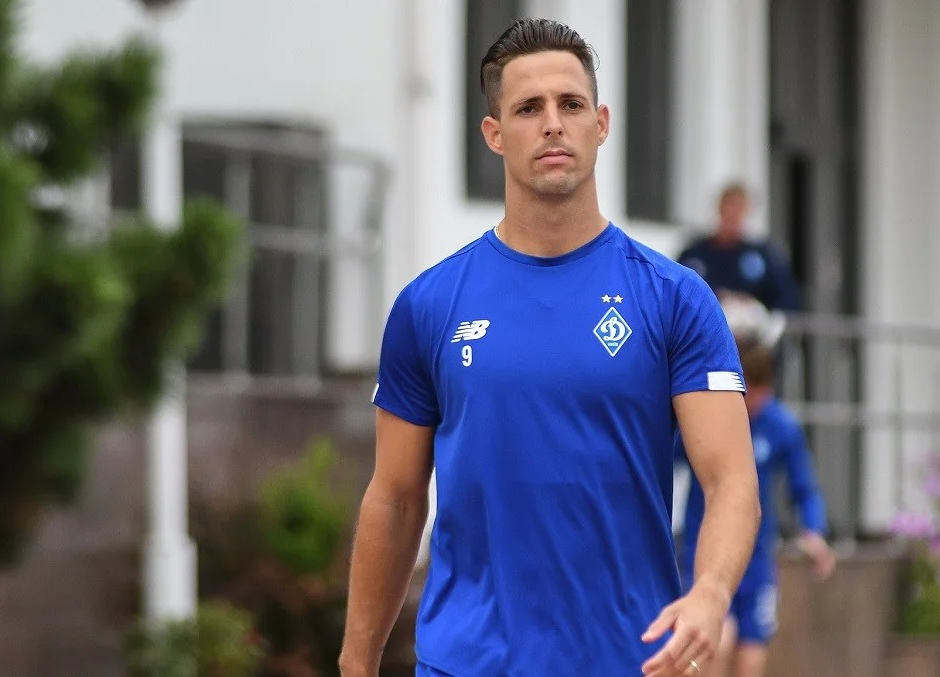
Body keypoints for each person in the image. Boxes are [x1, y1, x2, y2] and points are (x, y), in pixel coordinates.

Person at [339, 17, 762, 677]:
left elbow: (731, 479)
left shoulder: (676, 299)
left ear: (601, 123)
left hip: (631, 659)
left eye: (571, 104)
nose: (553, 124)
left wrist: (710, 592)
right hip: (467, 663)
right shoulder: (429, 305)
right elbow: (395, 500)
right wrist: (356, 659)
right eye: (528, 108)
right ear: (494, 134)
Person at [675, 336, 836, 677]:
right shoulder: (708, 418)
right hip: (704, 551)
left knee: (752, 655)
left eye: (762, 392)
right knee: (716, 643)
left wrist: (813, 530)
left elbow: (804, 488)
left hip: (756, 556)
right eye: (750, 392)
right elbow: (661, 460)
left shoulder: (780, 426)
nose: (755, 402)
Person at [677, 183, 801, 314]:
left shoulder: (764, 256)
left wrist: (754, 308)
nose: (732, 215)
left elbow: (786, 300)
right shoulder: (694, 255)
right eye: (729, 207)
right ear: (720, 209)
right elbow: (677, 293)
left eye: (738, 209)